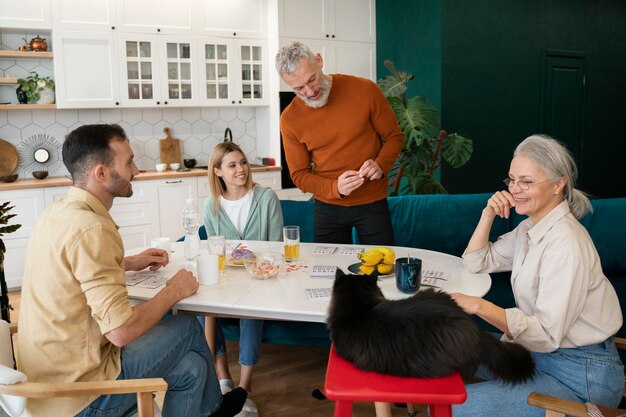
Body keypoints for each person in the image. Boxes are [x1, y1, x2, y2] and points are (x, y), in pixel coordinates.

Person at [17, 124, 247, 417]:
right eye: (128, 163)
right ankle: (216, 410)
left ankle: (211, 410)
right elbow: (121, 331)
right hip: (80, 397)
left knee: (193, 368)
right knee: (188, 326)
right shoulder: (92, 228)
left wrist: (127, 262)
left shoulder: (57, 212)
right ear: (101, 173)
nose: (136, 170)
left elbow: (68, 269)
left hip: (45, 385)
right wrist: (173, 290)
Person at [451, 135, 624, 416]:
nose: (515, 190)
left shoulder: (566, 244)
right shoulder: (529, 229)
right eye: (511, 180)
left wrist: (478, 306)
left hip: (580, 377)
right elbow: (475, 261)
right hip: (534, 355)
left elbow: (545, 334)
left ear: (558, 184)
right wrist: (488, 214)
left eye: (527, 182)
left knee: (453, 408)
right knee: (447, 346)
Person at [275, 41, 404, 245]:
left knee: (381, 271)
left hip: (372, 203)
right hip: (327, 209)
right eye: (299, 88)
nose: (309, 92)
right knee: (331, 273)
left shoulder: (365, 90)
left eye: (312, 79)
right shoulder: (290, 118)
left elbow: (394, 137)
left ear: (319, 60)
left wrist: (380, 164)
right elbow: (299, 175)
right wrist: (336, 188)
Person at [202, 142, 284, 417]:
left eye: (243, 162)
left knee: (251, 309)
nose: (241, 169)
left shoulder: (265, 197)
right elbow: (214, 250)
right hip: (227, 281)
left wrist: (254, 263)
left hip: (261, 278)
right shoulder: (211, 205)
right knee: (201, 308)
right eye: (232, 165)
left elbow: (276, 247)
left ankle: (244, 389)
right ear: (218, 172)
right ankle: (224, 379)